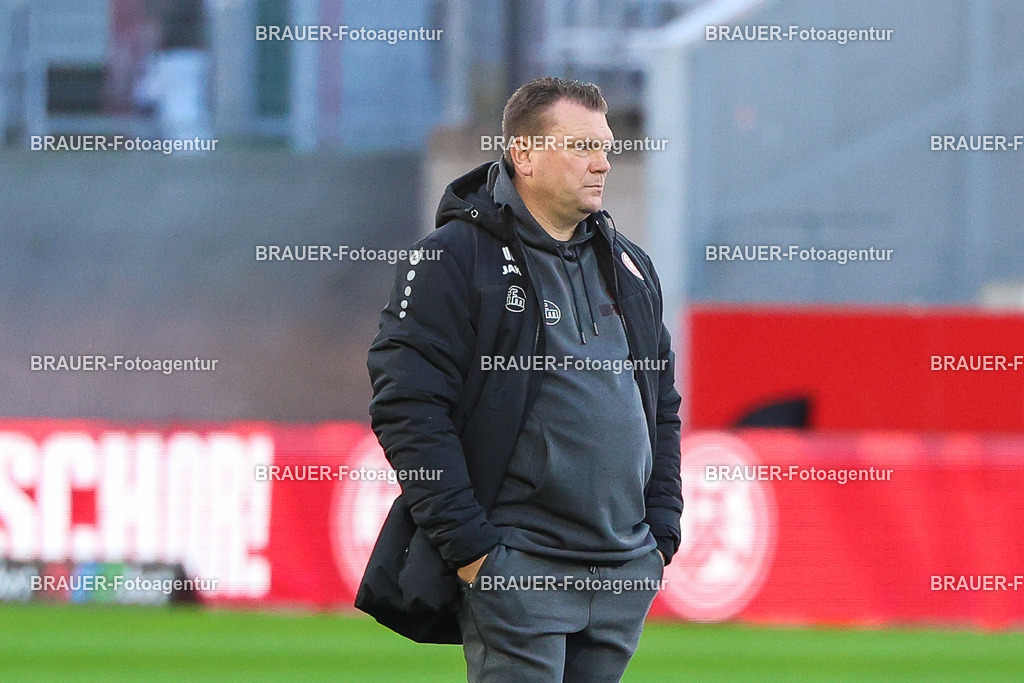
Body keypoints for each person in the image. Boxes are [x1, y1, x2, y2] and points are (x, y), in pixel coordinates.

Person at [356, 77, 682, 682]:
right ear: (524, 155)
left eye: (605, 147)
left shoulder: (631, 265)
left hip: (623, 571)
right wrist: (474, 551)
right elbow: (408, 408)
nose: (603, 163)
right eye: (582, 146)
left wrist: (660, 534)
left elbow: (661, 405)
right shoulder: (453, 259)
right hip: (519, 567)